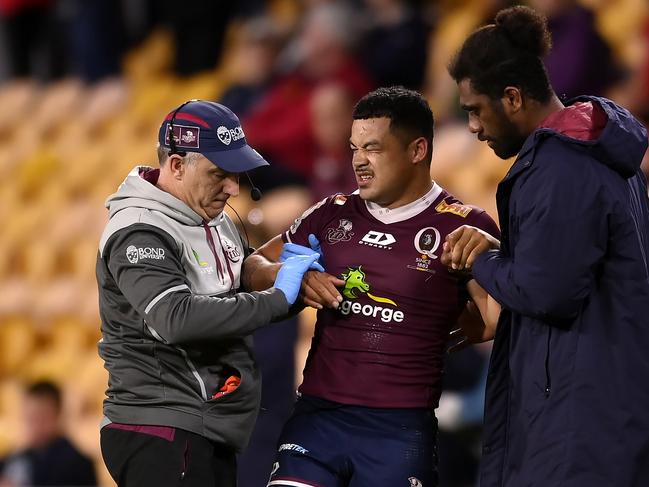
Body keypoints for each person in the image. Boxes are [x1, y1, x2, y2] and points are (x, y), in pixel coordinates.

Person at [243, 86, 502, 487]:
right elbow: (251, 265)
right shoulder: (330, 214)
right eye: (354, 148)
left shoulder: (464, 227)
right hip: (318, 421)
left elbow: (491, 323)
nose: (359, 161)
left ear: (417, 150)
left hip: (399, 432)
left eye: (374, 148)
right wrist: (291, 275)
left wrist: (431, 330)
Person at [444, 6, 649, 486]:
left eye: (475, 109)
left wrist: (483, 256)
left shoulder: (561, 168)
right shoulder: (596, 152)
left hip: (580, 424)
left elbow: (547, 291)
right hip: (602, 408)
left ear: (512, 97)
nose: (472, 126)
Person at [96, 99, 322, 487]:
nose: (233, 188)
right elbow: (176, 318)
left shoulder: (211, 218)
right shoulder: (139, 230)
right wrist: (278, 297)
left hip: (204, 428)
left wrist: (295, 284)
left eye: (236, 174)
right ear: (178, 165)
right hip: (160, 427)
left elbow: (242, 282)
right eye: (219, 174)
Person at [0, 380, 96, 487]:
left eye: (40, 417)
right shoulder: (17, 457)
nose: (33, 425)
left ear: (58, 415)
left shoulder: (76, 464)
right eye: (28, 417)